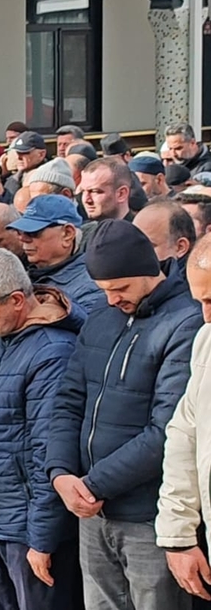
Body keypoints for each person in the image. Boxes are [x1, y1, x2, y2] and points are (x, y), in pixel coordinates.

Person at [47, 219, 201, 610]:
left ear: (148, 270)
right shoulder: (102, 317)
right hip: (91, 510)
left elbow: (167, 430)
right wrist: (60, 472)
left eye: (120, 288)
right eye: (104, 290)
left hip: (146, 515)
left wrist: (93, 485)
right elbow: (68, 399)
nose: (112, 298)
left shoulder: (186, 322)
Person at [0, 248, 84, 610]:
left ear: (16, 300)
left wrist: (42, 539)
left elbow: (48, 452)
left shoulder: (53, 351)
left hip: (28, 532)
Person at [157, 235, 211, 604]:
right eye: (200, 301)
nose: (205, 316)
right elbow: (183, 435)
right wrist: (177, 535)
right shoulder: (206, 340)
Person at [7, 196, 104, 313]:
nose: (23, 238)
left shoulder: (90, 285)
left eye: (33, 232)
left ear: (67, 234)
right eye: (20, 232)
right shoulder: (23, 274)